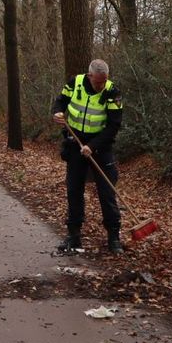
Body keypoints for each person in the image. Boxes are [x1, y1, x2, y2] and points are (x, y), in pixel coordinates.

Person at [51, 59, 124, 254]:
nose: (101, 85)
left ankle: (114, 237)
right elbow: (60, 100)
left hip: (101, 146)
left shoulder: (112, 92)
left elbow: (114, 125)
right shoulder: (75, 83)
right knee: (74, 190)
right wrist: (57, 113)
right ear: (90, 76)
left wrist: (92, 146)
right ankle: (73, 236)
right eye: (98, 81)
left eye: (104, 81)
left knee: (107, 191)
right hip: (75, 143)